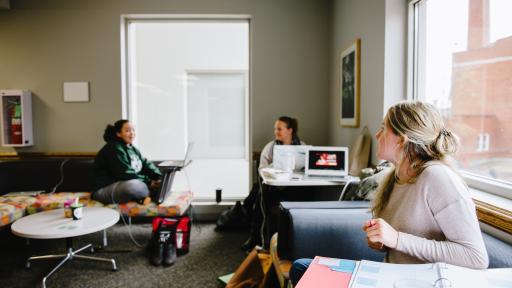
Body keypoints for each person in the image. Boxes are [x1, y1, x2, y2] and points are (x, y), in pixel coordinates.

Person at [290, 101, 488, 285]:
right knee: (302, 267)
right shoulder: (394, 176)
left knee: (304, 270)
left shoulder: (437, 177)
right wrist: (383, 242)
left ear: (402, 140)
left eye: (383, 128)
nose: (377, 135)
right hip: (390, 274)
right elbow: (401, 242)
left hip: (415, 282)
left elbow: (475, 257)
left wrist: (397, 239)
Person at [240, 116, 305, 251]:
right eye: (275, 129)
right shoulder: (270, 147)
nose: (276, 131)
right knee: (260, 199)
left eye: (279, 129)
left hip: (294, 188)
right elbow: (262, 169)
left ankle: (296, 240)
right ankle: (256, 238)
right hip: (274, 187)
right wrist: (273, 170)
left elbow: (307, 168)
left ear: (290, 130)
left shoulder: (302, 147)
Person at [93, 119, 162, 204]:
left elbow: (146, 164)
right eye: (127, 131)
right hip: (103, 190)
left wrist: (159, 177)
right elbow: (125, 173)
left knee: (158, 183)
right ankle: (150, 195)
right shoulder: (114, 148)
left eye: (133, 130)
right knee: (133, 185)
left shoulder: (132, 149)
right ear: (118, 134)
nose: (132, 133)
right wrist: (149, 182)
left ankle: (148, 196)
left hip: (124, 185)